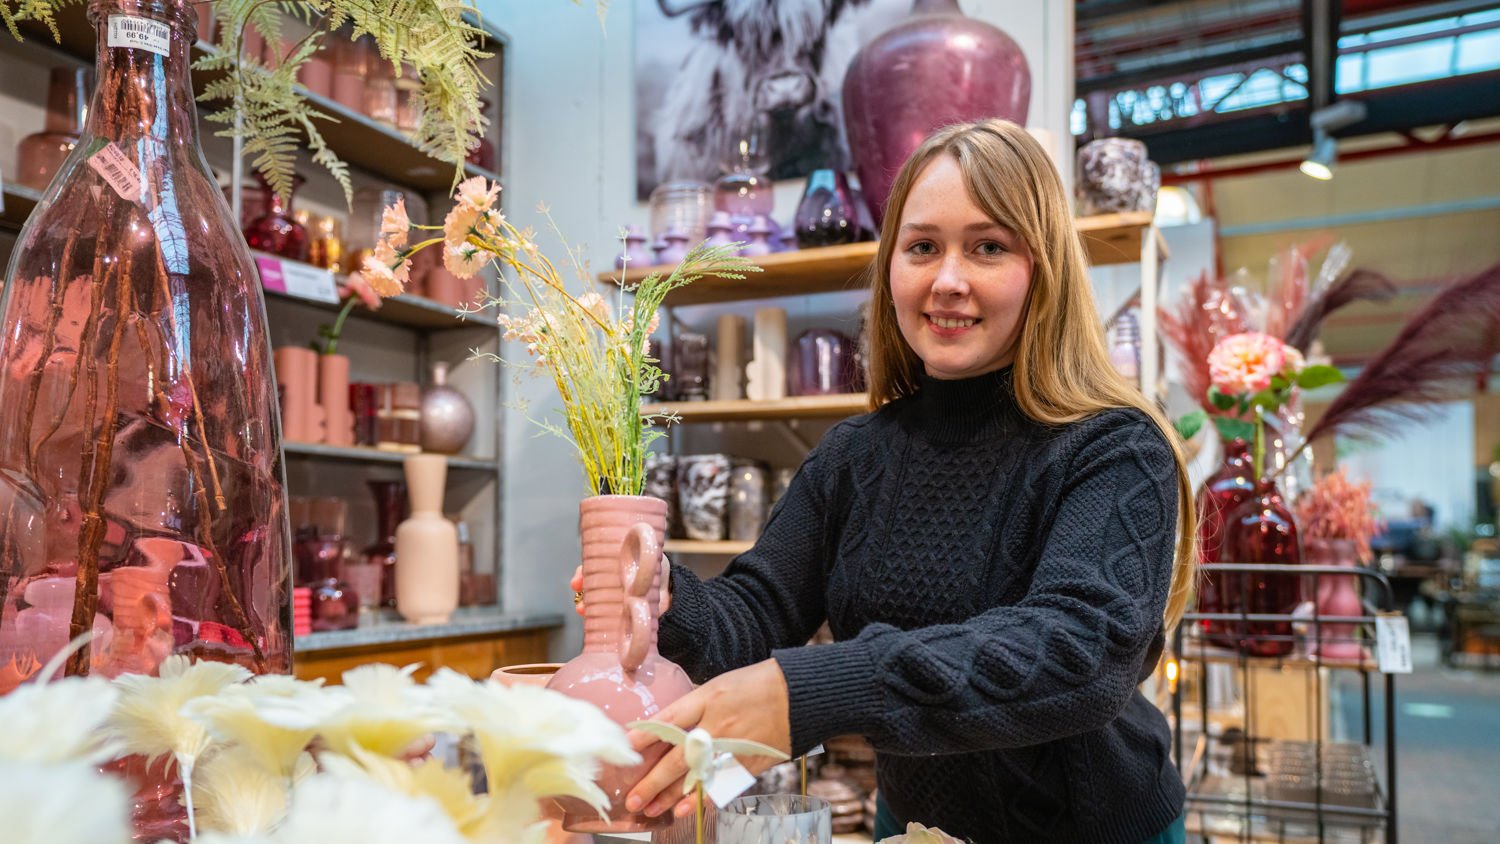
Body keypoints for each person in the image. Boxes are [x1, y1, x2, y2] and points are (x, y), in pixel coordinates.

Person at [578, 119, 1197, 843]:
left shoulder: (1114, 447)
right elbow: (756, 612)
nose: (948, 280)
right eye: (923, 247)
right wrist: (668, 600)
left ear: (1045, 269)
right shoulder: (856, 456)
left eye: (989, 247)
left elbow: (1080, 653)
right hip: (914, 825)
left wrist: (817, 689)